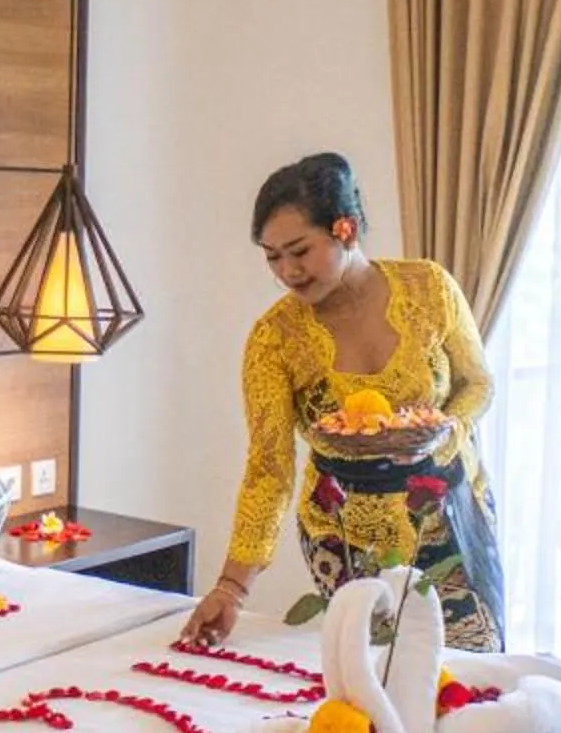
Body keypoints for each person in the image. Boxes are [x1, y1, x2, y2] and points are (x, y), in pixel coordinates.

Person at [181, 153, 505, 651]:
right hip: (344, 536)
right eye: (272, 257)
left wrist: (447, 432)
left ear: (345, 229)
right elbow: (268, 469)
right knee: (366, 672)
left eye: (299, 251)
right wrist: (232, 589)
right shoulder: (274, 339)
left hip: (447, 517)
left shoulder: (429, 288)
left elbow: (478, 384)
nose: (288, 271)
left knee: (467, 672)